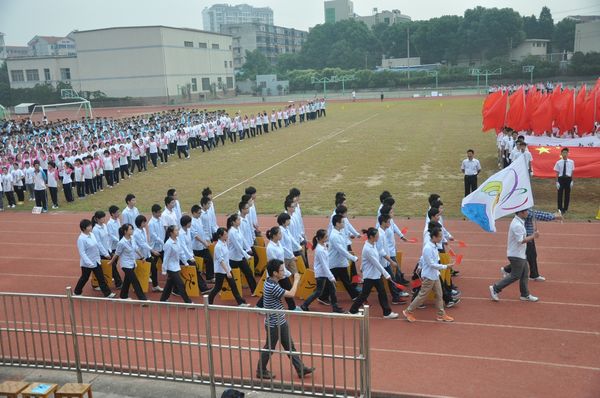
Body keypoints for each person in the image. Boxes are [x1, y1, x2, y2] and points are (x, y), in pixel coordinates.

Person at [255, 259, 315, 380]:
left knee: (289, 346)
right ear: (275, 273)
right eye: (282, 270)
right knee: (270, 348)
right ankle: (260, 370)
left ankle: (300, 369)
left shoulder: (271, 282)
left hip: (280, 320)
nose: (284, 272)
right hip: (274, 324)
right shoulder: (272, 286)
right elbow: (291, 294)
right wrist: (297, 280)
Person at [402, 227, 455, 322]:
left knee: (439, 295)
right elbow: (431, 264)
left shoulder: (435, 246)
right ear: (434, 237)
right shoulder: (428, 248)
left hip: (435, 275)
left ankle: (441, 315)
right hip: (429, 276)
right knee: (422, 296)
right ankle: (408, 311)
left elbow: (424, 259)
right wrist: (446, 266)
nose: (441, 238)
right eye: (439, 237)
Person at [489, 209, 539, 303]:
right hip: (516, 255)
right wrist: (533, 236)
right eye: (526, 211)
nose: (528, 213)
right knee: (515, 275)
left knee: (524, 273)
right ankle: (495, 288)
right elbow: (521, 240)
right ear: (520, 213)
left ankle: (525, 294)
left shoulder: (519, 222)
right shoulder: (517, 225)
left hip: (520, 253)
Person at [348, 228, 398, 319]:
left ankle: (387, 312)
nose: (378, 237)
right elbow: (376, 263)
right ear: (371, 237)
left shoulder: (373, 244)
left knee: (380, 292)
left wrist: (362, 267)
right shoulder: (368, 249)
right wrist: (387, 275)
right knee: (365, 294)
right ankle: (353, 310)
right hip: (371, 276)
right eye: (377, 236)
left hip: (375, 275)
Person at [501, 208, 562, 282]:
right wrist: (553, 216)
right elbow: (537, 215)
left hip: (529, 235)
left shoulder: (525, 208)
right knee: (526, 257)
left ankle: (533, 274)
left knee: (531, 256)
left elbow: (537, 212)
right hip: (526, 237)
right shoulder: (523, 210)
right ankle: (507, 270)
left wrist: (553, 215)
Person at [301, 229, 343, 313]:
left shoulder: (323, 245)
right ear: (320, 238)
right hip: (321, 274)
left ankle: (335, 307)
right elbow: (324, 265)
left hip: (324, 273)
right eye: (326, 236)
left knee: (332, 290)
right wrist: (331, 277)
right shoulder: (320, 250)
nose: (327, 238)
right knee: (318, 292)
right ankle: (304, 305)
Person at [74, 219, 116, 298]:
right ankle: (77, 292)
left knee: (100, 277)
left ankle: (107, 293)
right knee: (84, 278)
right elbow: (82, 253)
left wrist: (105, 254)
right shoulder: (81, 239)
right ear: (84, 228)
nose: (91, 227)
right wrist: (89, 263)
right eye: (89, 226)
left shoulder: (92, 234)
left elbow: (98, 245)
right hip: (87, 264)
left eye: (90, 225)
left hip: (96, 260)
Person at [207, 227, 249, 306]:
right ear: (220, 235)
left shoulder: (224, 243)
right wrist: (227, 272)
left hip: (227, 269)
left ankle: (240, 302)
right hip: (220, 271)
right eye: (225, 234)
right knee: (217, 287)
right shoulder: (218, 246)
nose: (227, 235)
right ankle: (209, 301)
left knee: (233, 285)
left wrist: (228, 270)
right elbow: (221, 260)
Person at [112, 223, 148, 300]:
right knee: (135, 282)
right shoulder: (121, 243)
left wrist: (142, 257)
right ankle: (143, 299)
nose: (132, 230)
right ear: (125, 231)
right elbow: (117, 254)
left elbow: (135, 248)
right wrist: (111, 262)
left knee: (127, 281)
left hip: (132, 263)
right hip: (126, 265)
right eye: (130, 229)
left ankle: (123, 296)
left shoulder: (132, 238)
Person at [160, 225, 192, 304]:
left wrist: (185, 262)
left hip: (176, 266)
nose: (178, 232)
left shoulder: (177, 240)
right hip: (171, 268)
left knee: (169, 284)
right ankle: (188, 302)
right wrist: (164, 269)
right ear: (171, 233)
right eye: (176, 230)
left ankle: (163, 299)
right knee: (181, 284)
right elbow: (166, 258)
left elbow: (181, 253)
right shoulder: (168, 244)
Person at [554, 148, 575, 214]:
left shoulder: (571, 162)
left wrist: (572, 181)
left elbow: (572, 172)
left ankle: (565, 209)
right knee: (560, 194)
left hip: (568, 179)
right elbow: (557, 173)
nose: (565, 154)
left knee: (567, 194)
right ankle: (559, 208)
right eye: (563, 152)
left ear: (568, 153)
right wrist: (557, 181)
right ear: (561, 154)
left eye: (566, 152)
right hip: (561, 179)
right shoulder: (558, 162)